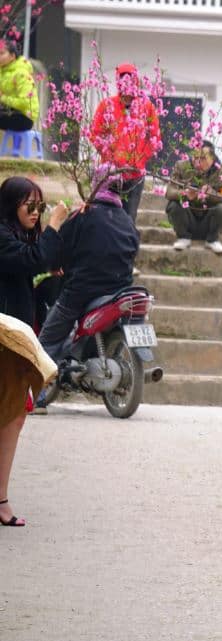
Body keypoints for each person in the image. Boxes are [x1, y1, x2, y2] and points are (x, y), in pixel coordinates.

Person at [0, 177, 69, 527]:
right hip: (4, 340)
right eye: (30, 204)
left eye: (40, 206)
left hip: (17, 340)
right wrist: (53, 226)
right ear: (12, 204)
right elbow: (35, 257)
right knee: (10, 416)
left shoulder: (20, 240)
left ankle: (1, 499)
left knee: (14, 417)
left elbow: (42, 260)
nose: (36, 212)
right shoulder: (1, 235)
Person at [38, 170, 139, 362]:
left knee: (45, 345)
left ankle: (37, 390)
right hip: (119, 292)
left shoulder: (82, 214)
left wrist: (56, 265)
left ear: (96, 184)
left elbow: (58, 250)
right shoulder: (128, 222)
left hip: (80, 292)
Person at [90, 62, 160, 224]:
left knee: (129, 218)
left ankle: (128, 249)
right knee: (108, 216)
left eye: (130, 78)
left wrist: (140, 159)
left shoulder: (147, 106)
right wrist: (109, 156)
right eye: (123, 79)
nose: (127, 83)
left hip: (136, 173)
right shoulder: (106, 105)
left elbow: (155, 137)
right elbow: (95, 133)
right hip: (111, 173)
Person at [165, 140, 222, 255]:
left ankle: (212, 239)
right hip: (187, 216)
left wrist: (211, 194)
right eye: (195, 157)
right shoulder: (182, 166)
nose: (198, 162)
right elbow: (169, 192)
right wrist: (185, 193)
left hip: (209, 218)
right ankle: (183, 237)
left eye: (203, 158)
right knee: (173, 205)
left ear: (212, 158)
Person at [0, 39, 39, 133]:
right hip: (9, 112)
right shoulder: (3, 72)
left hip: (24, 117)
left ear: (12, 56)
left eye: (1, 53)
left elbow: (25, 102)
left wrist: (2, 98)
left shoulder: (21, 73)